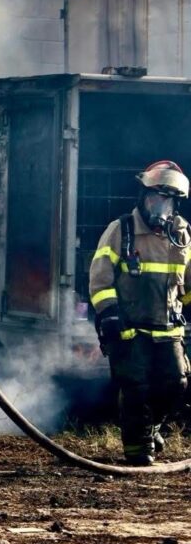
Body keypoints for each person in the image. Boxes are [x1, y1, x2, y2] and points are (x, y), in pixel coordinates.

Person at [88, 160, 191, 466]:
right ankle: (137, 452)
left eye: (168, 200)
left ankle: (152, 429)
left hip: (168, 329)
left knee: (177, 384)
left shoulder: (182, 236)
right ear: (144, 198)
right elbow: (100, 278)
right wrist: (109, 315)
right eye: (156, 198)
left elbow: (188, 283)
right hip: (130, 329)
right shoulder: (121, 230)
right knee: (135, 389)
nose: (161, 206)